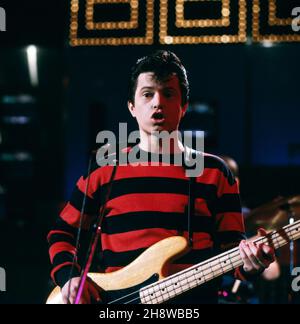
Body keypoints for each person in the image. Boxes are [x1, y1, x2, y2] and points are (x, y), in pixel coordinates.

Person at [47, 50, 275, 304]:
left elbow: (232, 254)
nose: (157, 102)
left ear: (183, 106)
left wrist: (251, 263)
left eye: (168, 93)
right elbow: (62, 233)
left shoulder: (215, 172)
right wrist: (69, 278)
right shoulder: (104, 169)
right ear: (132, 107)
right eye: (148, 94)